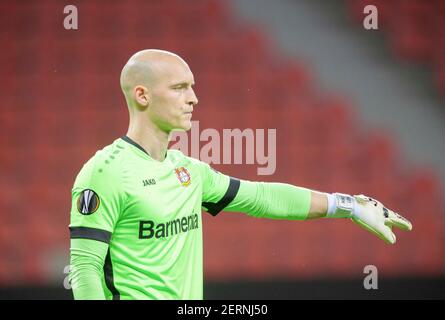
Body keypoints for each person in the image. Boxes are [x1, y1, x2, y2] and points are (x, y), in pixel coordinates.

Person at [69, 49, 412, 300]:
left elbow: (261, 197)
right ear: (142, 95)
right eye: (179, 88)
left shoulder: (189, 172)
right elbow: (85, 272)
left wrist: (347, 205)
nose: (193, 98)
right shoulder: (104, 174)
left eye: (192, 87)